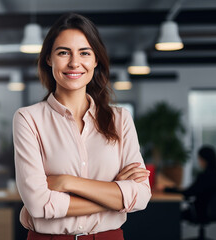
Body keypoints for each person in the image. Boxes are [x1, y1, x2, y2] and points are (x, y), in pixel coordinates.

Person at [12, 13, 151, 239]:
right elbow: (38, 204)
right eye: (63, 52)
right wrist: (115, 193)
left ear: (96, 60)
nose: (74, 63)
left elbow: (142, 195)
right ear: (49, 59)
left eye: (84, 53)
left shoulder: (121, 119)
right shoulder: (28, 119)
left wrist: (67, 182)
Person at [164, 145, 216, 222]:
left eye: (199, 159)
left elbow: (188, 193)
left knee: (170, 214)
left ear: (203, 160)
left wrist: (168, 189)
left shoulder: (204, 176)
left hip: (200, 212)